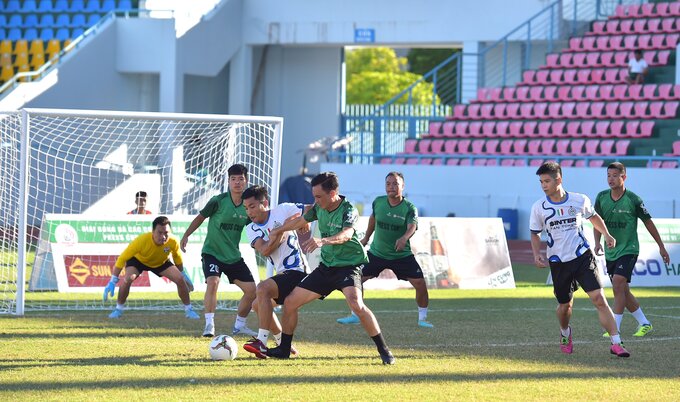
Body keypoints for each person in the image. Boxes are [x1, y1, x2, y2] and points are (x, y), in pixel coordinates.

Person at [264, 172, 395, 364]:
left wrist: (322, 241)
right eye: (314, 196)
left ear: (333, 193)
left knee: (356, 304)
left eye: (318, 196)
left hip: (348, 267)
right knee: (290, 302)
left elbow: (347, 235)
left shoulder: (348, 210)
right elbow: (301, 221)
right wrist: (279, 229)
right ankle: (284, 349)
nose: (315, 200)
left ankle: (384, 351)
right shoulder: (319, 207)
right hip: (326, 268)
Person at [529, 162, 630, 357]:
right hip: (558, 262)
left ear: (559, 179)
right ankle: (565, 333)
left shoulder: (579, 200)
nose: (543, 185)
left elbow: (593, 217)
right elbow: (535, 233)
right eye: (541, 182)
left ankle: (616, 342)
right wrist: (536, 254)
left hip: (582, 257)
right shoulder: (538, 208)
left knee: (599, 299)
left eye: (547, 181)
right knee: (565, 306)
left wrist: (607, 235)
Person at [336, 172, 433, 328]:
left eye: (395, 184)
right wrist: (367, 237)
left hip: (401, 255)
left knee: (420, 284)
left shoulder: (409, 208)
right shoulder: (378, 202)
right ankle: (355, 315)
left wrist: (404, 238)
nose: (391, 187)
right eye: (388, 184)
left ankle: (423, 318)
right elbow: (373, 219)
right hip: (377, 253)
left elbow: (412, 226)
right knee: (356, 280)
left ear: (403, 186)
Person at [594, 162, 670, 338]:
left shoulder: (633, 199)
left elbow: (648, 223)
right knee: (623, 290)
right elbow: (597, 222)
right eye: (608, 175)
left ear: (624, 177)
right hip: (611, 250)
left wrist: (661, 246)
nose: (610, 179)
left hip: (629, 248)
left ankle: (614, 328)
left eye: (614, 175)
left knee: (618, 284)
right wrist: (598, 242)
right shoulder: (601, 197)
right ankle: (645, 323)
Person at [180, 164, 257, 338]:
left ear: (246, 181)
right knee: (213, 282)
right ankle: (209, 325)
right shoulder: (218, 200)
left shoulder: (248, 207)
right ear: (228, 181)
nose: (237, 182)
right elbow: (200, 217)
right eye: (233, 179)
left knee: (252, 291)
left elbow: (257, 225)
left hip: (233, 257)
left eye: (240, 179)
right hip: (212, 252)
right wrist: (186, 235)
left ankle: (239, 326)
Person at [240, 185, 309, 359]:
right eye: (246, 208)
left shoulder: (283, 210)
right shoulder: (251, 229)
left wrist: (303, 221)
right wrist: (280, 233)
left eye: (252, 206)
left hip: (298, 270)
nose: (249, 212)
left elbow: (310, 209)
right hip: (283, 273)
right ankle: (282, 343)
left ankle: (261, 342)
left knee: (262, 288)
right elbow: (264, 250)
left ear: (265, 203)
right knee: (257, 305)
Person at [103, 216, 198, 319]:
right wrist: (113, 281)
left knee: (179, 279)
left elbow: (177, 258)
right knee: (127, 279)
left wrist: (182, 274)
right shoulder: (141, 240)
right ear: (153, 231)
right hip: (139, 261)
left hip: (160, 262)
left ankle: (189, 310)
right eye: (159, 232)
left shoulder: (173, 241)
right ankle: (118, 309)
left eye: (166, 233)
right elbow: (122, 258)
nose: (163, 236)